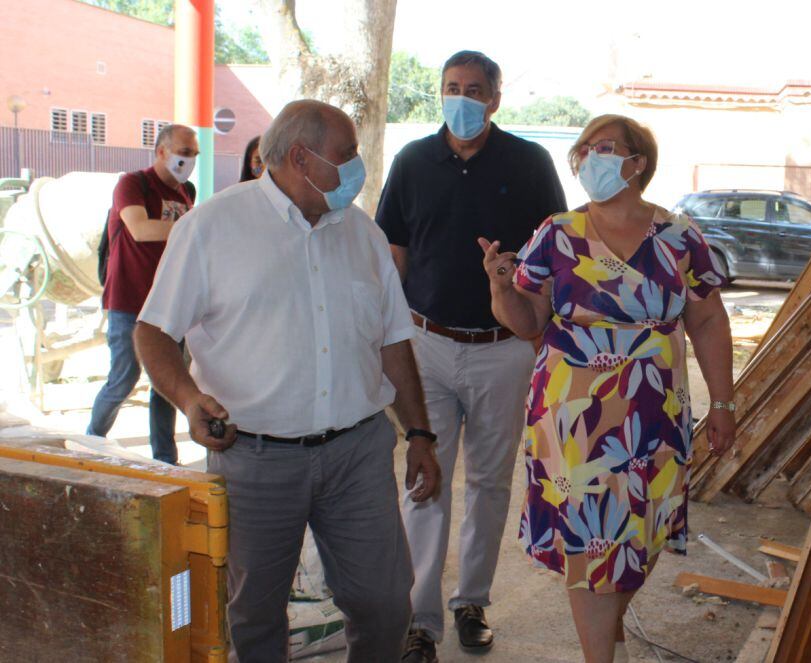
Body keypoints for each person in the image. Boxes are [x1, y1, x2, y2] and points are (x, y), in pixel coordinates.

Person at [133, 99, 442, 662]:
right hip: (253, 458)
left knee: (385, 603)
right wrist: (187, 398)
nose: (358, 168)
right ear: (301, 158)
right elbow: (152, 332)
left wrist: (421, 434)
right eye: (346, 156)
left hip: (356, 453)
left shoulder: (363, 234)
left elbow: (393, 341)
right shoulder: (212, 227)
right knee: (254, 616)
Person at [479, 114, 737, 663]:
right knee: (587, 536)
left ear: (637, 162)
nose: (590, 158)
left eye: (605, 148)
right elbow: (527, 322)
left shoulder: (679, 237)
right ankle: (601, 656)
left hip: (653, 414)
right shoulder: (557, 233)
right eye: (584, 150)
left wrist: (723, 401)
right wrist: (500, 289)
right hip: (572, 416)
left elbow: (710, 321)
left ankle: (608, 641)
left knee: (640, 537)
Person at [375, 50, 567, 661]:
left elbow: (555, 254)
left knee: (488, 480)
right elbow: (393, 257)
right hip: (425, 344)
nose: (462, 98)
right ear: (439, 93)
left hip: (502, 350)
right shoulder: (411, 161)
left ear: (496, 98)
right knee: (424, 479)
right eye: (452, 87)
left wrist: (529, 307)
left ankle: (471, 601)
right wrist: (385, 337)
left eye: (475, 89)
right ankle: (420, 619)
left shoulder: (530, 163)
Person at [87, 124, 199, 464]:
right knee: (123, 378)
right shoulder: (132, 183)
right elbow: (140, 228)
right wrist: (194, 226)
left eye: (194, 153)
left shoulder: (186, 193)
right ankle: (91, 442)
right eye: (183, 151)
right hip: (128, 299)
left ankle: (166, 459)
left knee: (166, 383)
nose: (189, 159)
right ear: (162, 150)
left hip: (167, 302)